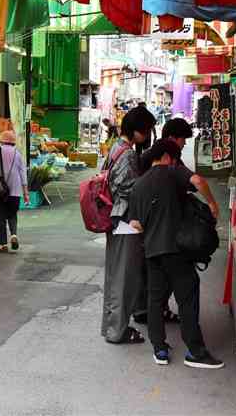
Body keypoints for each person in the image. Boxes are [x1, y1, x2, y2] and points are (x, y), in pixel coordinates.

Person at [128, 139, 223, 369]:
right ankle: (195, 352)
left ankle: (159, 349)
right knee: (187, 297)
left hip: (153, 251)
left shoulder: (138, 185)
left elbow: (136, 224)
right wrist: (212, 203)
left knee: (155, 300)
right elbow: (198, 180)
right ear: (168, 157)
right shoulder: (172, 171)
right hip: (177, 250)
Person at [101, 106, 156, 344]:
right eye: (146, 131)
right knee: (124, 277)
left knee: (115, 276)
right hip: (125, 220)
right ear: (136, 130)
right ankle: (118, 331)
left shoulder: (115, 148)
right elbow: (127, 189)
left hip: (114, 219)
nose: (148, 136)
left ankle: (111, 327)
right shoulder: (128, 154)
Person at [0, 130, 29, 253]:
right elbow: (23, 173)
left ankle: (3, 244)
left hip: (0, 190)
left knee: (0, 216)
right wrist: (25, 193)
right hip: (16, 190)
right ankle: (14, 235)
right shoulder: (18, 154)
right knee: (12, 214)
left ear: (2, 141)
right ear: (13, 142)